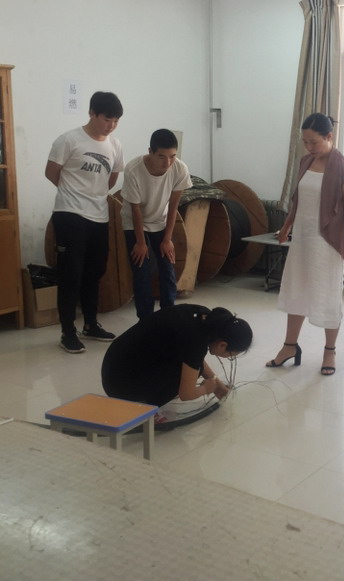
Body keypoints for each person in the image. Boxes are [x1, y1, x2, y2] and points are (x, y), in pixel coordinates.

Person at [266, 113, 344, 376]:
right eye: (305, 142)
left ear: (329, 137)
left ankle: (330, 351)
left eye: (314, 142)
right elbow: (298, 200)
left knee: (329, 292)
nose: (309, 147)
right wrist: (286, 226)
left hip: (328, 240)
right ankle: (289, 346)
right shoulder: (306, 161)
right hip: (303, 238)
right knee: (296, 288)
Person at [45, 91, 125, 354]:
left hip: (99, 216)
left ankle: (91, 324)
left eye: (116, 120)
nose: (111, 125)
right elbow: (51, 172)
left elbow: (111, 179)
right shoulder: (69, 140)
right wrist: (74, 192)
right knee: (71, 275)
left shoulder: (115, 145)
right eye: (107, 119)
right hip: (69, 214)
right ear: (92, 113)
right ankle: (68, 331)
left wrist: (93, 195)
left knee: (94, 273)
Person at [101, 304, 252, 408]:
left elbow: (193, 357)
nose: (228, 357)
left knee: (192, 367)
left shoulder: (204, 317)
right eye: (230, 355)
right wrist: (207, 388)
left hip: (114, 365)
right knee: (192, 372)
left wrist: (215, 381)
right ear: (223, 345)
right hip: (121, 385)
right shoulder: (196, 339)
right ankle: (151, 406)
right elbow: (186, 394)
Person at [120, 129, 192, 320]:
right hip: (134, 223)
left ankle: (169, 316)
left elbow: (174, 205)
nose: (167, 163)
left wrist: (167, 239)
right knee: (141, 271)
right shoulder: (133, 169)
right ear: (150, 152)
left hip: (160, 220)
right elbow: (135, 210)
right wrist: (141, 243)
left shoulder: (180, 169)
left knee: (167, 268)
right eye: (161, 156)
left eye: (172, 156)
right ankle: (146, 320)